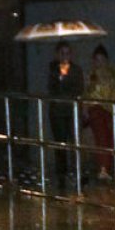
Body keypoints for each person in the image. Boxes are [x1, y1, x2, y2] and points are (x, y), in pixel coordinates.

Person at [83, 44, 115, 182]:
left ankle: (107, 167)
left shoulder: (112, 74)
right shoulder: (92, 75)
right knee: (101, 138)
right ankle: (103, 168)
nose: (100, 63)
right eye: (97, 60)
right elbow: (87, 93)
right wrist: (85, 109)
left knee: (110, 138)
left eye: (102, 60)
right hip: (96, 108)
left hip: (109, 109)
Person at [47, 41, 85, 186]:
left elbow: (79, 89)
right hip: (58, 112)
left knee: (75, 144)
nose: (65, 56)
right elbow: (51, 87)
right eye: (62, 53)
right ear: (57, 54)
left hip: (72, 110)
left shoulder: (76, 69)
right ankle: (61, 174)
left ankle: (77, 172)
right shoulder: (53, 69)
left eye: (67, 53)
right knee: (60, 144)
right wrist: (60, 78)